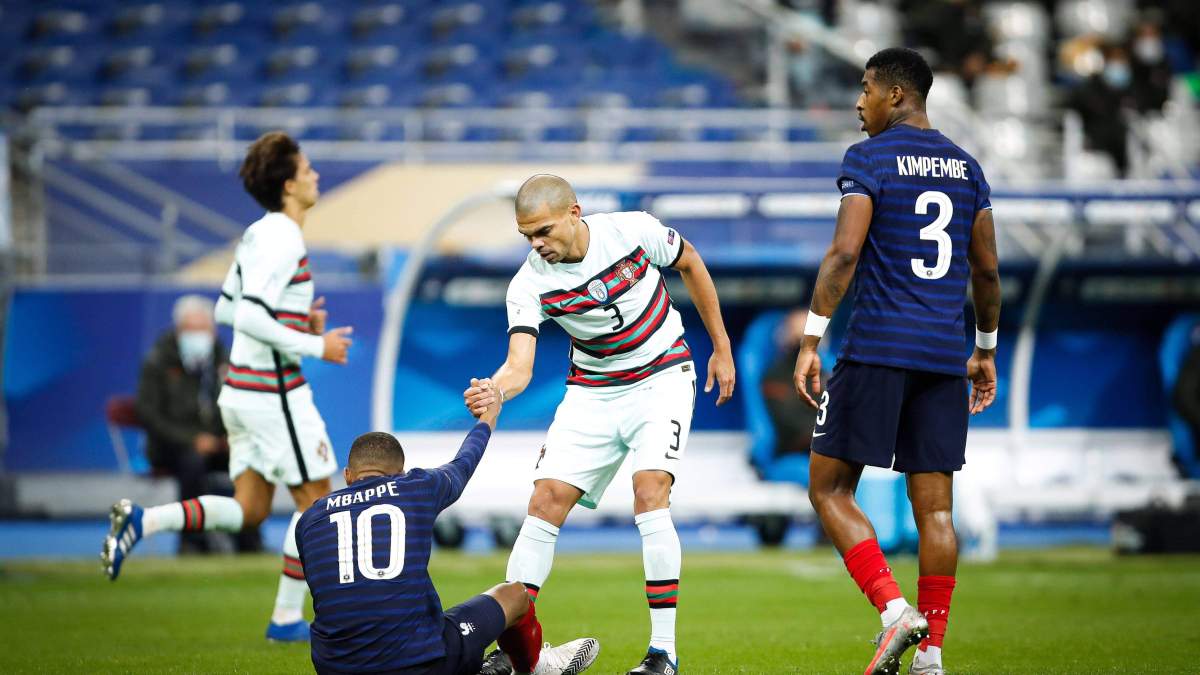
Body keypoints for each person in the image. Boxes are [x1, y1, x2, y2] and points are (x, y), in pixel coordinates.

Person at [463, 174, 736, 675]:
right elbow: (519, 365)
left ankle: (663, 653)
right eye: (527, 236)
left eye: (543, 231)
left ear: (574, 213)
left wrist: (721, 346)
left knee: (650, 490)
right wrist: (495, 390)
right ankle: (516, 651)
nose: (535, 244)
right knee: (544, 501)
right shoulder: (528, 283)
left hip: (661, 376)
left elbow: (691, 261)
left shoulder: (632, 231)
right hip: (592, 390)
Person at [791, 48, 1000, 675]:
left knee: (829, 488)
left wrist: (811, 340)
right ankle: (931, 655)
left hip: (877, 349)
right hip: (943, 357)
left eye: (866, 89)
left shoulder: (870, 158)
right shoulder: (968, 168)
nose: (859, 103)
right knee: (935, 510)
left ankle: (893, 611)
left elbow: (843, 255)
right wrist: (985, 349)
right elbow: (987, 271)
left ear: (897, 95)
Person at [102, 131, 355, 644]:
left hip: (241, 392)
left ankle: (143, 522)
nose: (315, 175)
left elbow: (226, 309)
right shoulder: (284, 237)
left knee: (250, 508)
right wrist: (315, 344)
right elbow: (252, 317)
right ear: (288, 185)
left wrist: (297, 321)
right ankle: (287, 618)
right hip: (273, 393)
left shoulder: (258, 233)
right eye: (306, 168)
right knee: (317, 502)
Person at [296, 395, 599, 675]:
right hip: (420, 662)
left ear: (348, 475)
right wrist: (487, 419)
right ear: (400, 473)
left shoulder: (310, 519)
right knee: (516, 595)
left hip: (335, 667)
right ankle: (534, 667)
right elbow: (464, 462)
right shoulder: (415, 488)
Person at [135, 294, 259, 554]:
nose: (198, 336)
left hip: (217, 442)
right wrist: (192, 440)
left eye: (204, 330)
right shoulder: (158, 360)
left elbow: (240, 403)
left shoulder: (224, 360)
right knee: (193, 462)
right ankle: (192, 541)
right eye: (191, 330)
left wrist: (230, 436)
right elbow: (148, 414)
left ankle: (249, 541)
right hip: (171, 446)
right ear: (178, 331)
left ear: (213, 331)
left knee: (247, 459)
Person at [761, 309, 825, 458]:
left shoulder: (827, 374)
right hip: (796, 450)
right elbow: (786, 421)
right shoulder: (775, 377)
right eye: (799, 337)